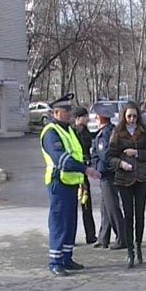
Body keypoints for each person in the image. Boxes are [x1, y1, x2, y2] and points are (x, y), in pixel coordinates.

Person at [40, 94, 101, 276]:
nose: (69, 114)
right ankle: (55, 261)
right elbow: (62, 159)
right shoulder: (51, 132)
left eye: (69, 111)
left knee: (70, 222)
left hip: (72, 182)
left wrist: (83, 175)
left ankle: (66, 257)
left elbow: (79, 154)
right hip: (58, 182)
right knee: (58, 222)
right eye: (66, 111)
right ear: (55, 113)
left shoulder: (68, 130)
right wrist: (85, 169)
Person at [109, 101, 146, 268]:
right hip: (124, 178)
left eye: (135, 116)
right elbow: (110, 156)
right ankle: (130, 250)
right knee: (128, 215)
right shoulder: (117, 132)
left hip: (141, 176)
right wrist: (120, 164)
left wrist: (137, 153)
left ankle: (139, 245)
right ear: (124, 116)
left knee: (140, 215)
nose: (132, 119)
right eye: (129, 116)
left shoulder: (144, 131)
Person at [91, 106, 127, 251]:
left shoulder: (104, 134)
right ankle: (103, 237)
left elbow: (105, 156)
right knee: (105, 207)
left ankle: (122, 238)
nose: (94, 118)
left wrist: (97, 165)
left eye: (96, 116)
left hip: (107, 174)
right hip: (109, 174)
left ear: (99, 118)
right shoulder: (111, 130)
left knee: (112, 207)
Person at [71, 106, 97, 245]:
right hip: (72, 173)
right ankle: (70, 237)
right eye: (85, 116)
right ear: (78, 118)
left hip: (83, 172)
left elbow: (89, 146)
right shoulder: (71, 133)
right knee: (71, 208)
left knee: (86, 204)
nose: (87, 119)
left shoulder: (86, 132)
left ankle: (90, 235)